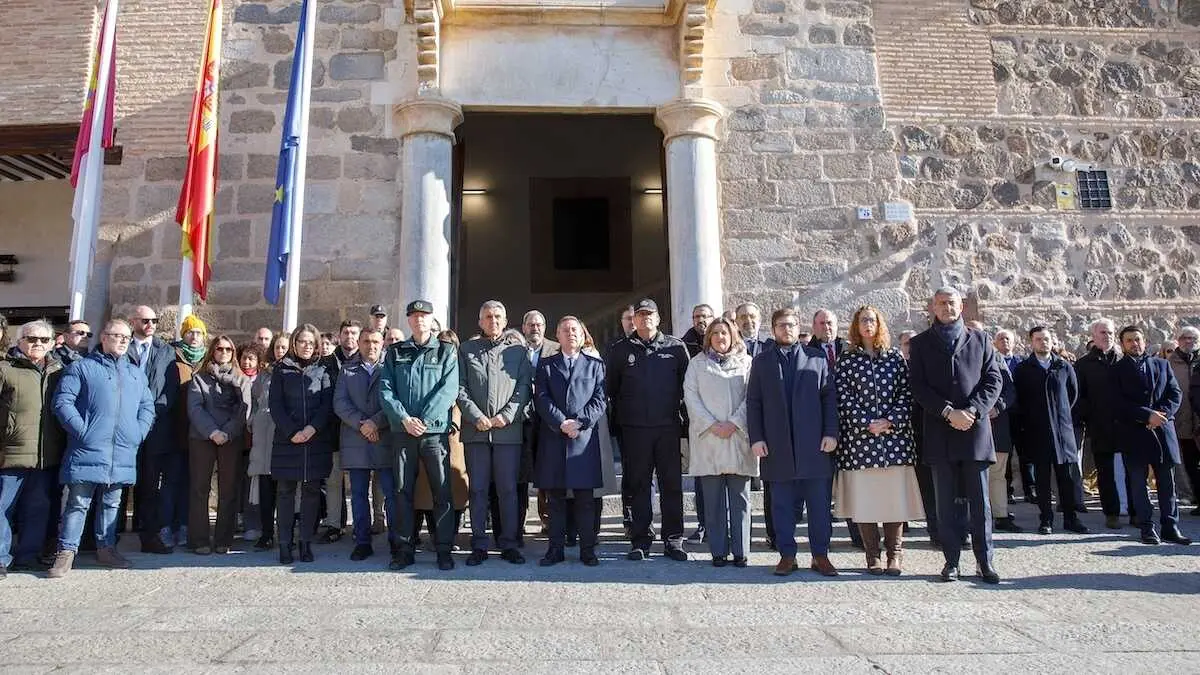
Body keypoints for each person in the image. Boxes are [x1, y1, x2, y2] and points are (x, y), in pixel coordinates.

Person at [908, 287, 1004, 584]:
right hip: (940, 431)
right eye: (941, 303)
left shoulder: (981, 339)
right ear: (932, 308)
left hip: (975, 432)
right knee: (945, 503)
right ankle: (951, 561)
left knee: (980, 502)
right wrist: (949, 412)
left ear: (961, 306)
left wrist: (973, 411)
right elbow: (918, 387)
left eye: (952, 303)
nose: (947, 307)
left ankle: (984, 561)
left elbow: (993, 378)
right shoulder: (920, 344)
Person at [48, 320, 155, 578]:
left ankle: (106, 549)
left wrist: (137, 433)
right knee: (78, 503)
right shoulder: (82, 368)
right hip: (88, 449)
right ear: (104, 338)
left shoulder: (135, 374)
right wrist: (83, 431)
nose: (121, 341)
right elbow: (63, 402)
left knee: (112, 503)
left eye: (126, 338)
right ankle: (66, 552)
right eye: (116, 336)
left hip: (122, 450)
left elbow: (147, 407)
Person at [747, 308, 838, 576]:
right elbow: (754, 402)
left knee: (820, 506)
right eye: (781, 325)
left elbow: (828, 399)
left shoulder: (816, 358)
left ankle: (820, 555)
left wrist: (831, 433)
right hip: (776, 445)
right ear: (773, 329)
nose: (787, 329)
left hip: (814, 445)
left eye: (791, 325)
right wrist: (757, 438)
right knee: (781, 506)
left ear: (799, 328)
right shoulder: (762, 362)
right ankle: (787, 555)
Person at [833, 306, 924, 576]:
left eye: (872, 320)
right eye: (862, 321)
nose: (867, 325)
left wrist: (889, 421)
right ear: (856, 326)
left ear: (879, 324)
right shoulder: (846, 360)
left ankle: (894, 555)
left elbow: (907, 394)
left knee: (893, 500)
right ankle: (872, 555)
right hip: (860, 444)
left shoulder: (895, 358)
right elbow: (842, 396)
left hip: (894, 441)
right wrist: (866, 423)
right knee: (867, 502)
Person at [605, 298, 690, 561]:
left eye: (649, 314)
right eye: (640, 314)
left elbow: (688, 387)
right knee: (638, 486)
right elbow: (611, 389)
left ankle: (673, 539)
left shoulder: (676, 348)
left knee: (671, 485)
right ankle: (640, 539)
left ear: (658, 318)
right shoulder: (619, 350)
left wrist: (686, 425)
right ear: (634, 319)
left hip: (667, 428)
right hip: (634, 430)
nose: (645, 318)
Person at [380, 300, 460, 571]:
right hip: (403, 433)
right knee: (402, 491)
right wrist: (404, 419)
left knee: (442, 491)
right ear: (408, 321)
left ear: (431, 320)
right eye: (414, 316)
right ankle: (404, 549)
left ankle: (444, 549)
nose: (419, 320)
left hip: (433, 433)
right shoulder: (395, 352)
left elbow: (448, 390)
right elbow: (386, 390)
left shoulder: (446, 352)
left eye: (423, 316)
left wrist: (423, 421)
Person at [457, 301, 533, 566]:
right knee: (477, 490)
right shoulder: (466, 350)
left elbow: (524, 387)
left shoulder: (518, 351)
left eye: (498, 316)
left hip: (507, 433)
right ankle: (479, 544)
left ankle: (509, 543)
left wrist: (506, 416)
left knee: (508, 490)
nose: (493, 320)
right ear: (480, 321)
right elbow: (460, 387)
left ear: (505, 320)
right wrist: (475, 416)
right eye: (488, 317)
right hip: (476, 433)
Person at [534, 316, 607, 567]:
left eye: (574, 329)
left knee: (585, 500)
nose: (570, 333)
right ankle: (555, 550)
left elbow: (600, 399)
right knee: (555, 499)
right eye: (565, 330)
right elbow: (541, 398)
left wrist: (580, 422)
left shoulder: (594, 365)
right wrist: (561, 422)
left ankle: (588, 550)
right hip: (555, 438)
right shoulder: (545, 365)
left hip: (583, 441)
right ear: (557, 335)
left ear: (582, 334)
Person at [683, 317, 755, 568]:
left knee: (740, 499)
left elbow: (752, 397)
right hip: (709, 438)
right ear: (709, 338)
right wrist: (713, 424)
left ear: (733, 335)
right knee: (712, 501)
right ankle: (718, 551)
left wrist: (734, 423)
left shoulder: (746, 363)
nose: (720, 337)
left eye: (724, 333)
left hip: (737, 436)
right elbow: (691, 398)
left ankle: (741, 551)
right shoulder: (697, 364)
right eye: (715, 333)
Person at [1114, 325, 1191, 545]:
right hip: (1134, 433)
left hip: (1163, 432)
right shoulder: (1117, 371)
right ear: (1123, 345)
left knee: (1167, 483)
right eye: (1129, 340)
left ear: (1144, 341)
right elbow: (1116, 402)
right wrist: (1147, 416)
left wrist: (1161, 416)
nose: (1134, 344)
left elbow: (1174, 393)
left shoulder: (1162, 365)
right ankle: (1147, 527)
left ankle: (1170, 526)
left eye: (1137, 339)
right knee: (1139, 484)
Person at [0, 320, 66, 577]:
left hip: (45, 455)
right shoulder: (6, 369)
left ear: (51, 343)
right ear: (20, 341)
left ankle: (27, 555)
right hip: (11, 453)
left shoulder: (59, 371)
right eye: (31, 339)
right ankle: (1, 558)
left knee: (38, 509)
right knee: (4, 508)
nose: (37, 344)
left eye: (43, 340)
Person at [1012, 327, 1090, 536]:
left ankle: (1071, 518)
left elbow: (1073, 394)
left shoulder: (1063, 367)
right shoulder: (1023, 369)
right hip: (1037, 432)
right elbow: (1018, 399)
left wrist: (1062, 416)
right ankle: (1046, 518)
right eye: (1038, 340)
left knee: (1067, 478)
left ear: (1052, 341)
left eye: (1046, 339)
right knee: (1043, 480)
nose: (1043, 343)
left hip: (1063, 432)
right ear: (1031, 343)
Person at [270, 324, 336, 564]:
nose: (307, 346)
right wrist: (292, 432)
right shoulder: (281, 370)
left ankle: (305, 542)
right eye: (302, 342)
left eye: (311, 342)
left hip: (315, 440)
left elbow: (327, 404)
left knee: (311, 493)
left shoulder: (324, 369)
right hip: (288, 441)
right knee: (286, 493)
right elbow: (276, 406)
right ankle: (285, 544)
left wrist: (311, 429)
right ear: (294, 344)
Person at [126, 306, 185, 554]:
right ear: (133, 321)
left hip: (155, 427)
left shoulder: (166, 351)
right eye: (146, 320)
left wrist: (149, 415)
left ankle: (149, 536)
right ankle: (100, 539)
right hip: (123, 426)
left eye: (155, 320)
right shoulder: (122, 347)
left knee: (150, 484)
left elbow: (170, 390)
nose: (151, 324)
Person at [334, 328, 396, 561]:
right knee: (359, 495)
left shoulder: (390, 367)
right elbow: (340, 402)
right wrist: (362, 424)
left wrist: (375, 423)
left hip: (383, 437)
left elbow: (394, 400)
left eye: (376, 342)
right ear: (359, 343)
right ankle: (362, 541)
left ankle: (395, 540)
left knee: (390, 492)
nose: (371, 346)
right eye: (367, 342)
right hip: (355, 438)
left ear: (383, 344)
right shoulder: (347, 370)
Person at [186, 334, 252, 554]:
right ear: (212, 351)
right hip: (203, 437)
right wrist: (212, 431)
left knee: (229, 489)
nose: (224, 353)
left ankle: (224, 539)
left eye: (228, 350)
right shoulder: (199, 378)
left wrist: (227, 432)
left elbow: (243, 410)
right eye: (220, 349)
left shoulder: (240, 378)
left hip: (230, 438)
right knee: (199, 489)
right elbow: (195, 408)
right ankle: (199, 540)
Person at [413, 329, 470, 551]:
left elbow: (461, 395)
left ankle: (451, 535)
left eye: (450, 343)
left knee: (456, 487)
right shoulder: (432, 364)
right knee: (427, 488)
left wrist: (455, 420)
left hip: (455, 435)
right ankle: (435, 535)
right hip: (430, 431)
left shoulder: (459, 366)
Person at [1075, 319, 1132, 529]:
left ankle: (1135, 511)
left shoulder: (1125, 360)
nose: (1106, 336)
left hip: (1126, 425)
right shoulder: (1083, 364)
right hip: (1100, 426)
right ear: (1094, 336)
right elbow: (1078, 396)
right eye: (1102, 333)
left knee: (1130, 470)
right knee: (1105, 472)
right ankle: (1111, 513)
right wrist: (1089, 416)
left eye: (1109, 332)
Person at [808, 308, 857, 547]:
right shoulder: (806, 353)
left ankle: (860, 537)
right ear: (814, 327)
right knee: (823, 486)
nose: (826, 327)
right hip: (821, 427)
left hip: (852, 426)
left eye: (830, 323)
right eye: (821, 323)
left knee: (852, 483)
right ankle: (823, 538)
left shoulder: (850, 349)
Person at [317, 319, 362, 543]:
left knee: (360, 482)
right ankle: (334, 524)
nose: (350, 337)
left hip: (359, 429)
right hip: (332, 429)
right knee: (334, 480)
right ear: (340, 335)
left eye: (354, 333)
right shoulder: (325, 362)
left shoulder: (366, 359)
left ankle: (366, 524)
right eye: (346, 332)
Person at [679, 303, 716, 544]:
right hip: (697, 421)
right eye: (696, 316)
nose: (700, 320)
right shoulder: (684, 346)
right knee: (702, 477)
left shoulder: (726, 341)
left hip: (727, 421)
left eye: (704, 316)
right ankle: (704, 524)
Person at [247, 333, 288, 550]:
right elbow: (254, 400)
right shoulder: (264, 374)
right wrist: (253, 418)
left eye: (284, 347)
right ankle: (266, 533)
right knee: (265, 487)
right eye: (278, 347)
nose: (280, 351)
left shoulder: (293, 372)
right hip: (263, 436)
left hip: (283, 435)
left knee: (285, 489)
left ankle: (285, 533)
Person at [522, 310, 560, 533]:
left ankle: (547, 519)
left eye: (539, 324)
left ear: (544, 328)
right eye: (531, 325)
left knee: (547, 470)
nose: (535, 328)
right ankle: (520, 519)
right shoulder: (515, 350)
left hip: (548, 420)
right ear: (524, 327)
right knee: (522, 471)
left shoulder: (555, 349)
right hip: (522, 419)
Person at [994, 328, 1032, 504]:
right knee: (1005, 454)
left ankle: (1029, 489)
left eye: (1008, 339)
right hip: (1002, 415)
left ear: (1014, 342)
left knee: (1025, 453)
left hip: (1021, 414)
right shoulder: (992, 363)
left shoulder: (1022, 363)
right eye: (1001, 339)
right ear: (995, 343)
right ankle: (1007, 490)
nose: (1005, 342)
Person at [989, 343, 1022, 534]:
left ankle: (1001, 515)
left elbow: (1009, 390)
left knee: (998, 474)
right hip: (970, 426)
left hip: (997, 425)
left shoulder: (997, 358)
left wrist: (997, 407)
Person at [237, 342, 267, 544]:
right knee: (236, 483)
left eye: (251, 358)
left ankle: (253, 524)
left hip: (256, 439)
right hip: (236, 438)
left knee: (252, 485)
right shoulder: (234, 378)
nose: (247, 361)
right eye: (244, 357)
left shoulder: (261, 381)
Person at [1168, 326, 1200, 514]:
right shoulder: (1170, 363)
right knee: (1190, 464)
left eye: (1193, 338)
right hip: (1182, 422)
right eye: (1185, 338)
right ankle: (1196, 497)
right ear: (1178, 340)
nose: (1189, 341)